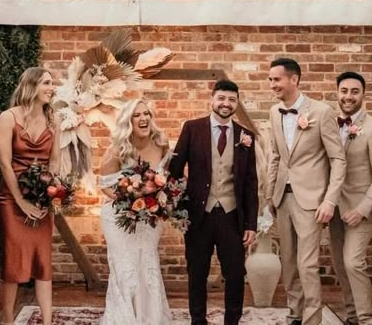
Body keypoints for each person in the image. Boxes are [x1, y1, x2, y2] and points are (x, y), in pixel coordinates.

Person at [170, 79, 258, 325]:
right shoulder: (192, 128)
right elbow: (174, 172)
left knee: (235, 274)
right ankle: (198, 321)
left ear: (237, 103)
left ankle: (232, 321)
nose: (226, 104)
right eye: (221, 98)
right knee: (197, 273)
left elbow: (251, 183)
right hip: (199, 216)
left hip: (232, 216)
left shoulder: (246, 136)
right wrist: (179, 211)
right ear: (212, 100)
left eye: (231, 99)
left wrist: (251, 224)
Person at [266, 58, 345, 325]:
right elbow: (275, 156)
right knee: (288, 263)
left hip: (312, 200)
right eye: (270, 80)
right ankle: (294, 315)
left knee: (307, 265)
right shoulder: (274, 111)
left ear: (294, 80)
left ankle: (312, 319)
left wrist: (330, 200)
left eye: (277, 79)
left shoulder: (321, 112)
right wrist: (269, 195)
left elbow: (338, 159)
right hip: (282, 198)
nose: (272, 84)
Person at [98, 98, 173, 325]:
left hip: (150, 219)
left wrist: (160, 201)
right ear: (129, 121)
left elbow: (166, 179)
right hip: (121, 218)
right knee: (125, 268)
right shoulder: (118, 149)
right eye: (137, 115)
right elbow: (104, 184)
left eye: (146, 114)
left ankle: (150, 318)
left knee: (147, 265)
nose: (144, 119)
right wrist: (128, 201)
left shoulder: (161, 144)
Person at [0, 67, 60, 324]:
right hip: (11, 200)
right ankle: (9, 320)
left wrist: (47, 195)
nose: (51, 88)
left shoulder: (54, 122)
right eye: (46, 83)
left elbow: (55, 162)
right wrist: (21, 202)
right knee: (12, 264)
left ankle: (46, 321)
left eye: (51, 83)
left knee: (44, 262)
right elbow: (4, 163)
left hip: (41, 200)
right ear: (31, 85)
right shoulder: (8, 118)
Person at [328, 72, 372, 325]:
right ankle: (352, 316)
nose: (348, 96)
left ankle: (366, 320)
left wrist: (362, 209)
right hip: (334, 209)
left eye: (355, 91)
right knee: (340, 266)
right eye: (344, 91)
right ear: (338, 93)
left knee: (353, 262)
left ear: (363, 94)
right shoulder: (330, 124)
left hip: (360, 209)